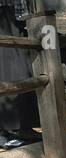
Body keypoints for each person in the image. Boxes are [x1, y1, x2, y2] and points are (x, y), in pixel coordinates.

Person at [0, 0, 42, 148]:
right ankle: (4, 132)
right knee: (5, 69)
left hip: (18, 13)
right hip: (4, 11)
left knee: (23, 69)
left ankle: (24, 127)